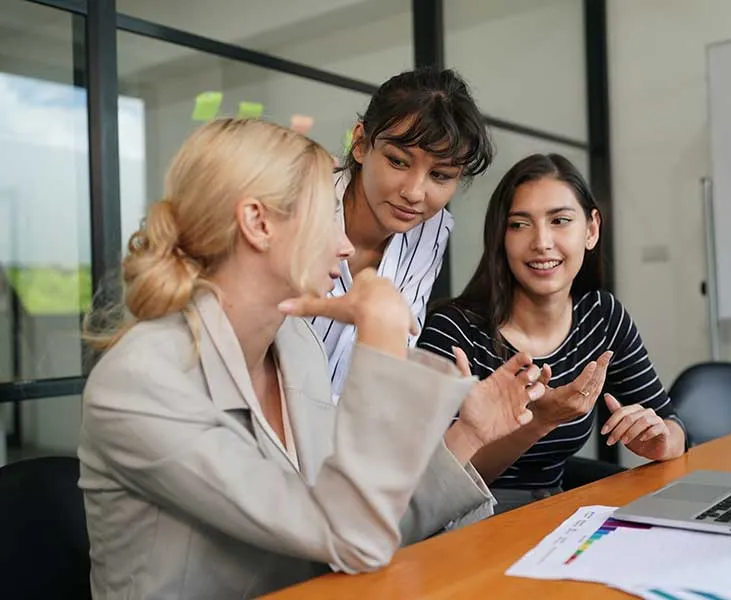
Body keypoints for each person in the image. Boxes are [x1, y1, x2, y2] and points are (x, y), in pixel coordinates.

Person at [78, 118, 545, 599]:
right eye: (327, 217)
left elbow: (353, 522)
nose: (345, 247)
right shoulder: (140, 381)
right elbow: (351, 535)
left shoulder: (297, 345)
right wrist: (380, 339)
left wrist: (468, 434)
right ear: (258, 223)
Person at [417, 153, 687, 514]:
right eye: (519, 225)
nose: (542, 242)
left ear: (591, 229)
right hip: (464, 523)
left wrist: (662, 442)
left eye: (560, 221)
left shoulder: (601, 317)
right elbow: (433, 486)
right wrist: (540, 421)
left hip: (553, 515)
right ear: (500, 238)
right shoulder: (454, 331)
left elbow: (673, 424)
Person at [301, 66, 493, 397]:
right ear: (360, 143)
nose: (415, 192)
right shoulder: (299, 205)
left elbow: (396, 355)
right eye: (399, 162)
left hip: (352, 433)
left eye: (441, 176)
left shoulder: (432, 231)